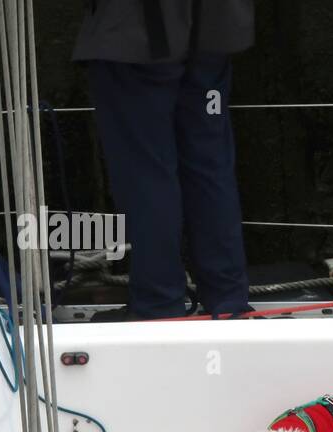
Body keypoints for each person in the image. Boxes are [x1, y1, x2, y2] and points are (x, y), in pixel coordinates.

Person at [74, 0, 255, 320]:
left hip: (136, 34)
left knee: (146, 171)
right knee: (209, 164)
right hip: (215, 28)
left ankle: (160, 306)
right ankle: (227, 302)